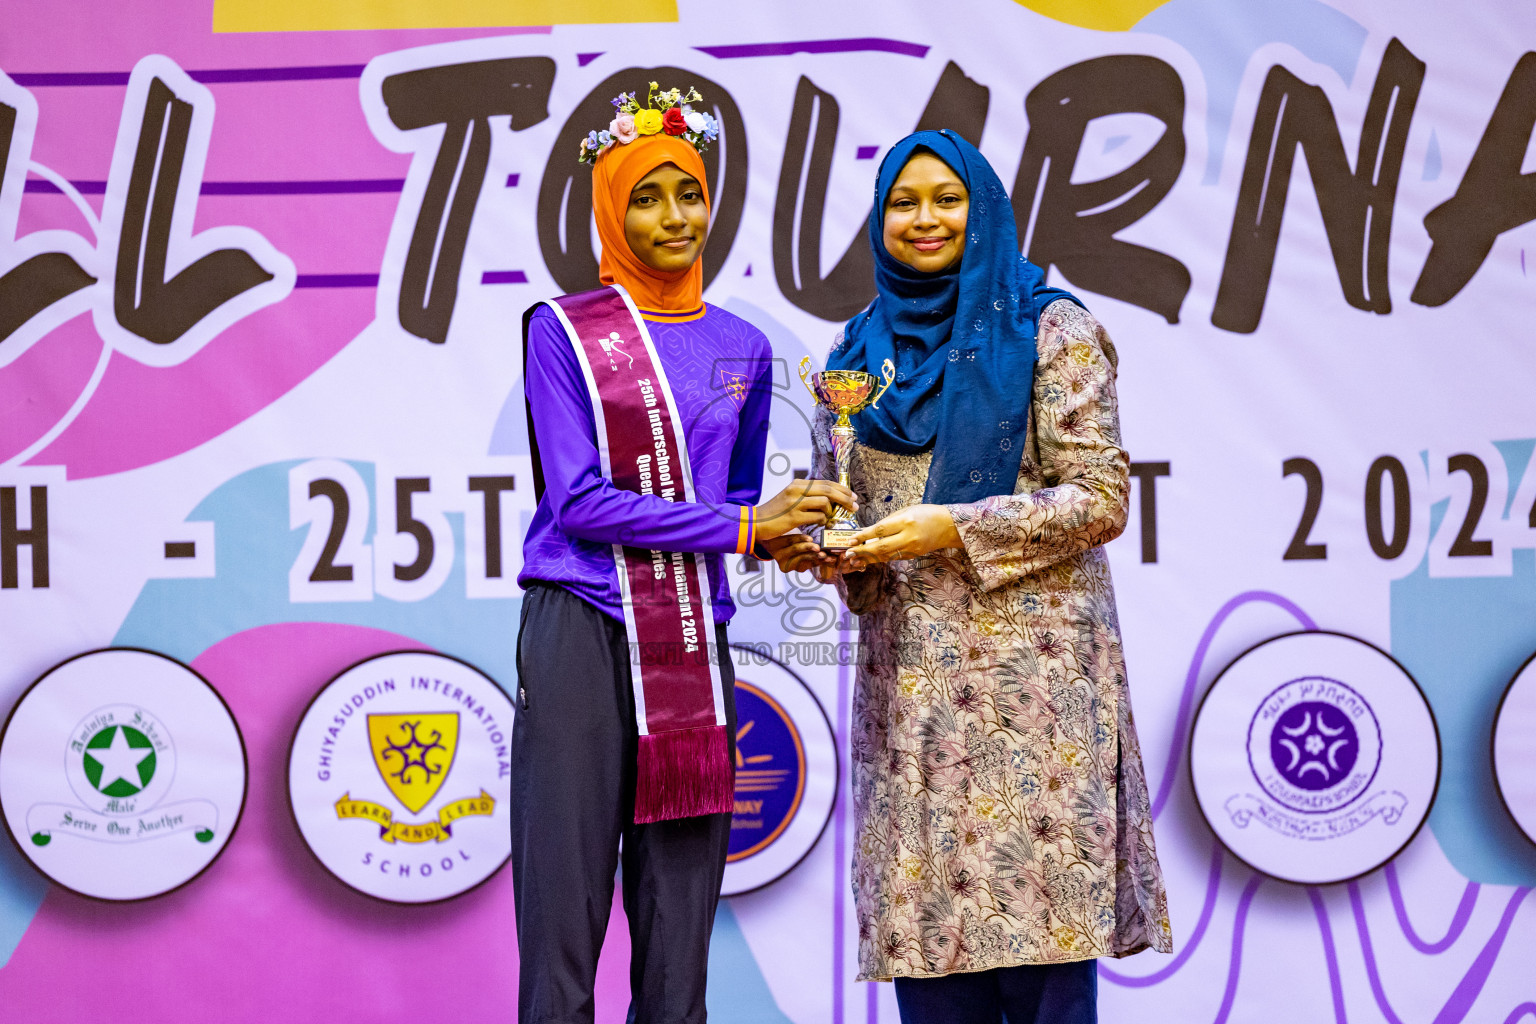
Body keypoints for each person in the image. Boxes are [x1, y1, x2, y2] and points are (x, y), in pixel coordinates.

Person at [763, 130, 1172, 1024]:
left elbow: (1101, 497)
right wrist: (825, 548)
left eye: (946, 199)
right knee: (933, 963)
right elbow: (857, 511)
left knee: (1041, 959)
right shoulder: (858, 349)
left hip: (1033, 705)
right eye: (903, 202)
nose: (924, 219)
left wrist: (952, 525)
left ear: (983, 207)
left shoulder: (1049, 326)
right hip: (911, 702)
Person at [514, 85, 855, 1023]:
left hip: (691, 643)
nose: (674, 216)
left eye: (690, 193)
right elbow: (580, 502)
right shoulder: (566, 332)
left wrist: (795, 541)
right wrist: (746, 528)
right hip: (581, 623)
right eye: (647, 196)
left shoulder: (743, 346)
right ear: (610, 211)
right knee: (562, 924)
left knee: (680, 937)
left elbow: (736, 504)